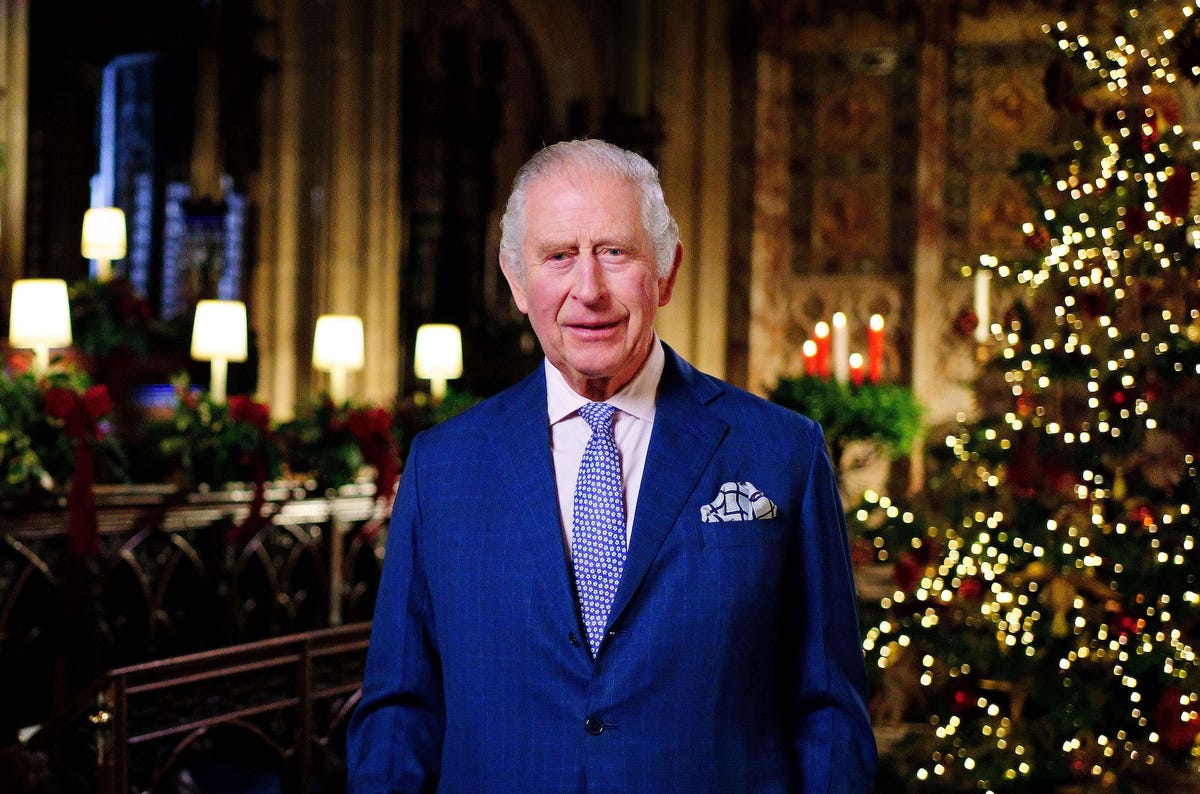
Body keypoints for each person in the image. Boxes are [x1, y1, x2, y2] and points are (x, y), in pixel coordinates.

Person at [346, 139, 876, 792]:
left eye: (615, 253)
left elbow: (828, 713)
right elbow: (401, 712)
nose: (588, 290)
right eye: (559, 256)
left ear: (668, 272)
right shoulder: (442, 467)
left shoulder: (782, 453)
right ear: (516, 279)